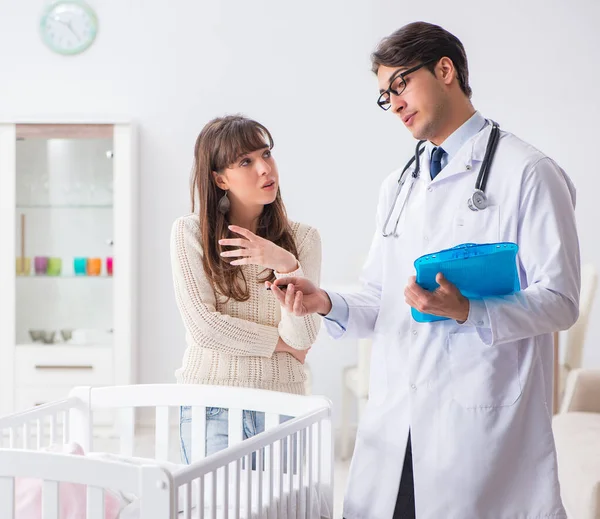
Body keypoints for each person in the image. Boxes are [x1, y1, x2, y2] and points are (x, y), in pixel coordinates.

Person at [269, 21, 580, 519]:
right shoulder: (398, 185)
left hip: (480, 426)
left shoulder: (529, 172)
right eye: (384, 94)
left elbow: (561, 301)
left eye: (401, 84)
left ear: (445, 69)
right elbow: (381, 296)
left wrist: (467, 310)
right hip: (398, 423)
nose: (393, 103)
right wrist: (325, 301)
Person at [171, 114, 321, 464]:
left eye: (266, 154)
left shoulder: (304, 240)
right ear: (220, 179)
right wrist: (279, 343)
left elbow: (305, 337)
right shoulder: (191, 234)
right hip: (213, 404)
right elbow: (204, 328)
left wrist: (285, 264)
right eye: (246, 161)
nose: (264, 168)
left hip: (285, 406)